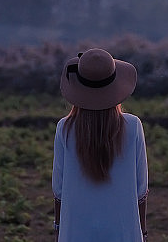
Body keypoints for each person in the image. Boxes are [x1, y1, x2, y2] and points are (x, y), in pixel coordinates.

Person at [52, 48, 149, 241]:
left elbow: (59, 190)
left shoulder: (65, 128)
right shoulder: (133, 126)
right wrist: (143, 232)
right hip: (123, 231)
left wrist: (59, 228)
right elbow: (141, 190)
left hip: (75, 232)